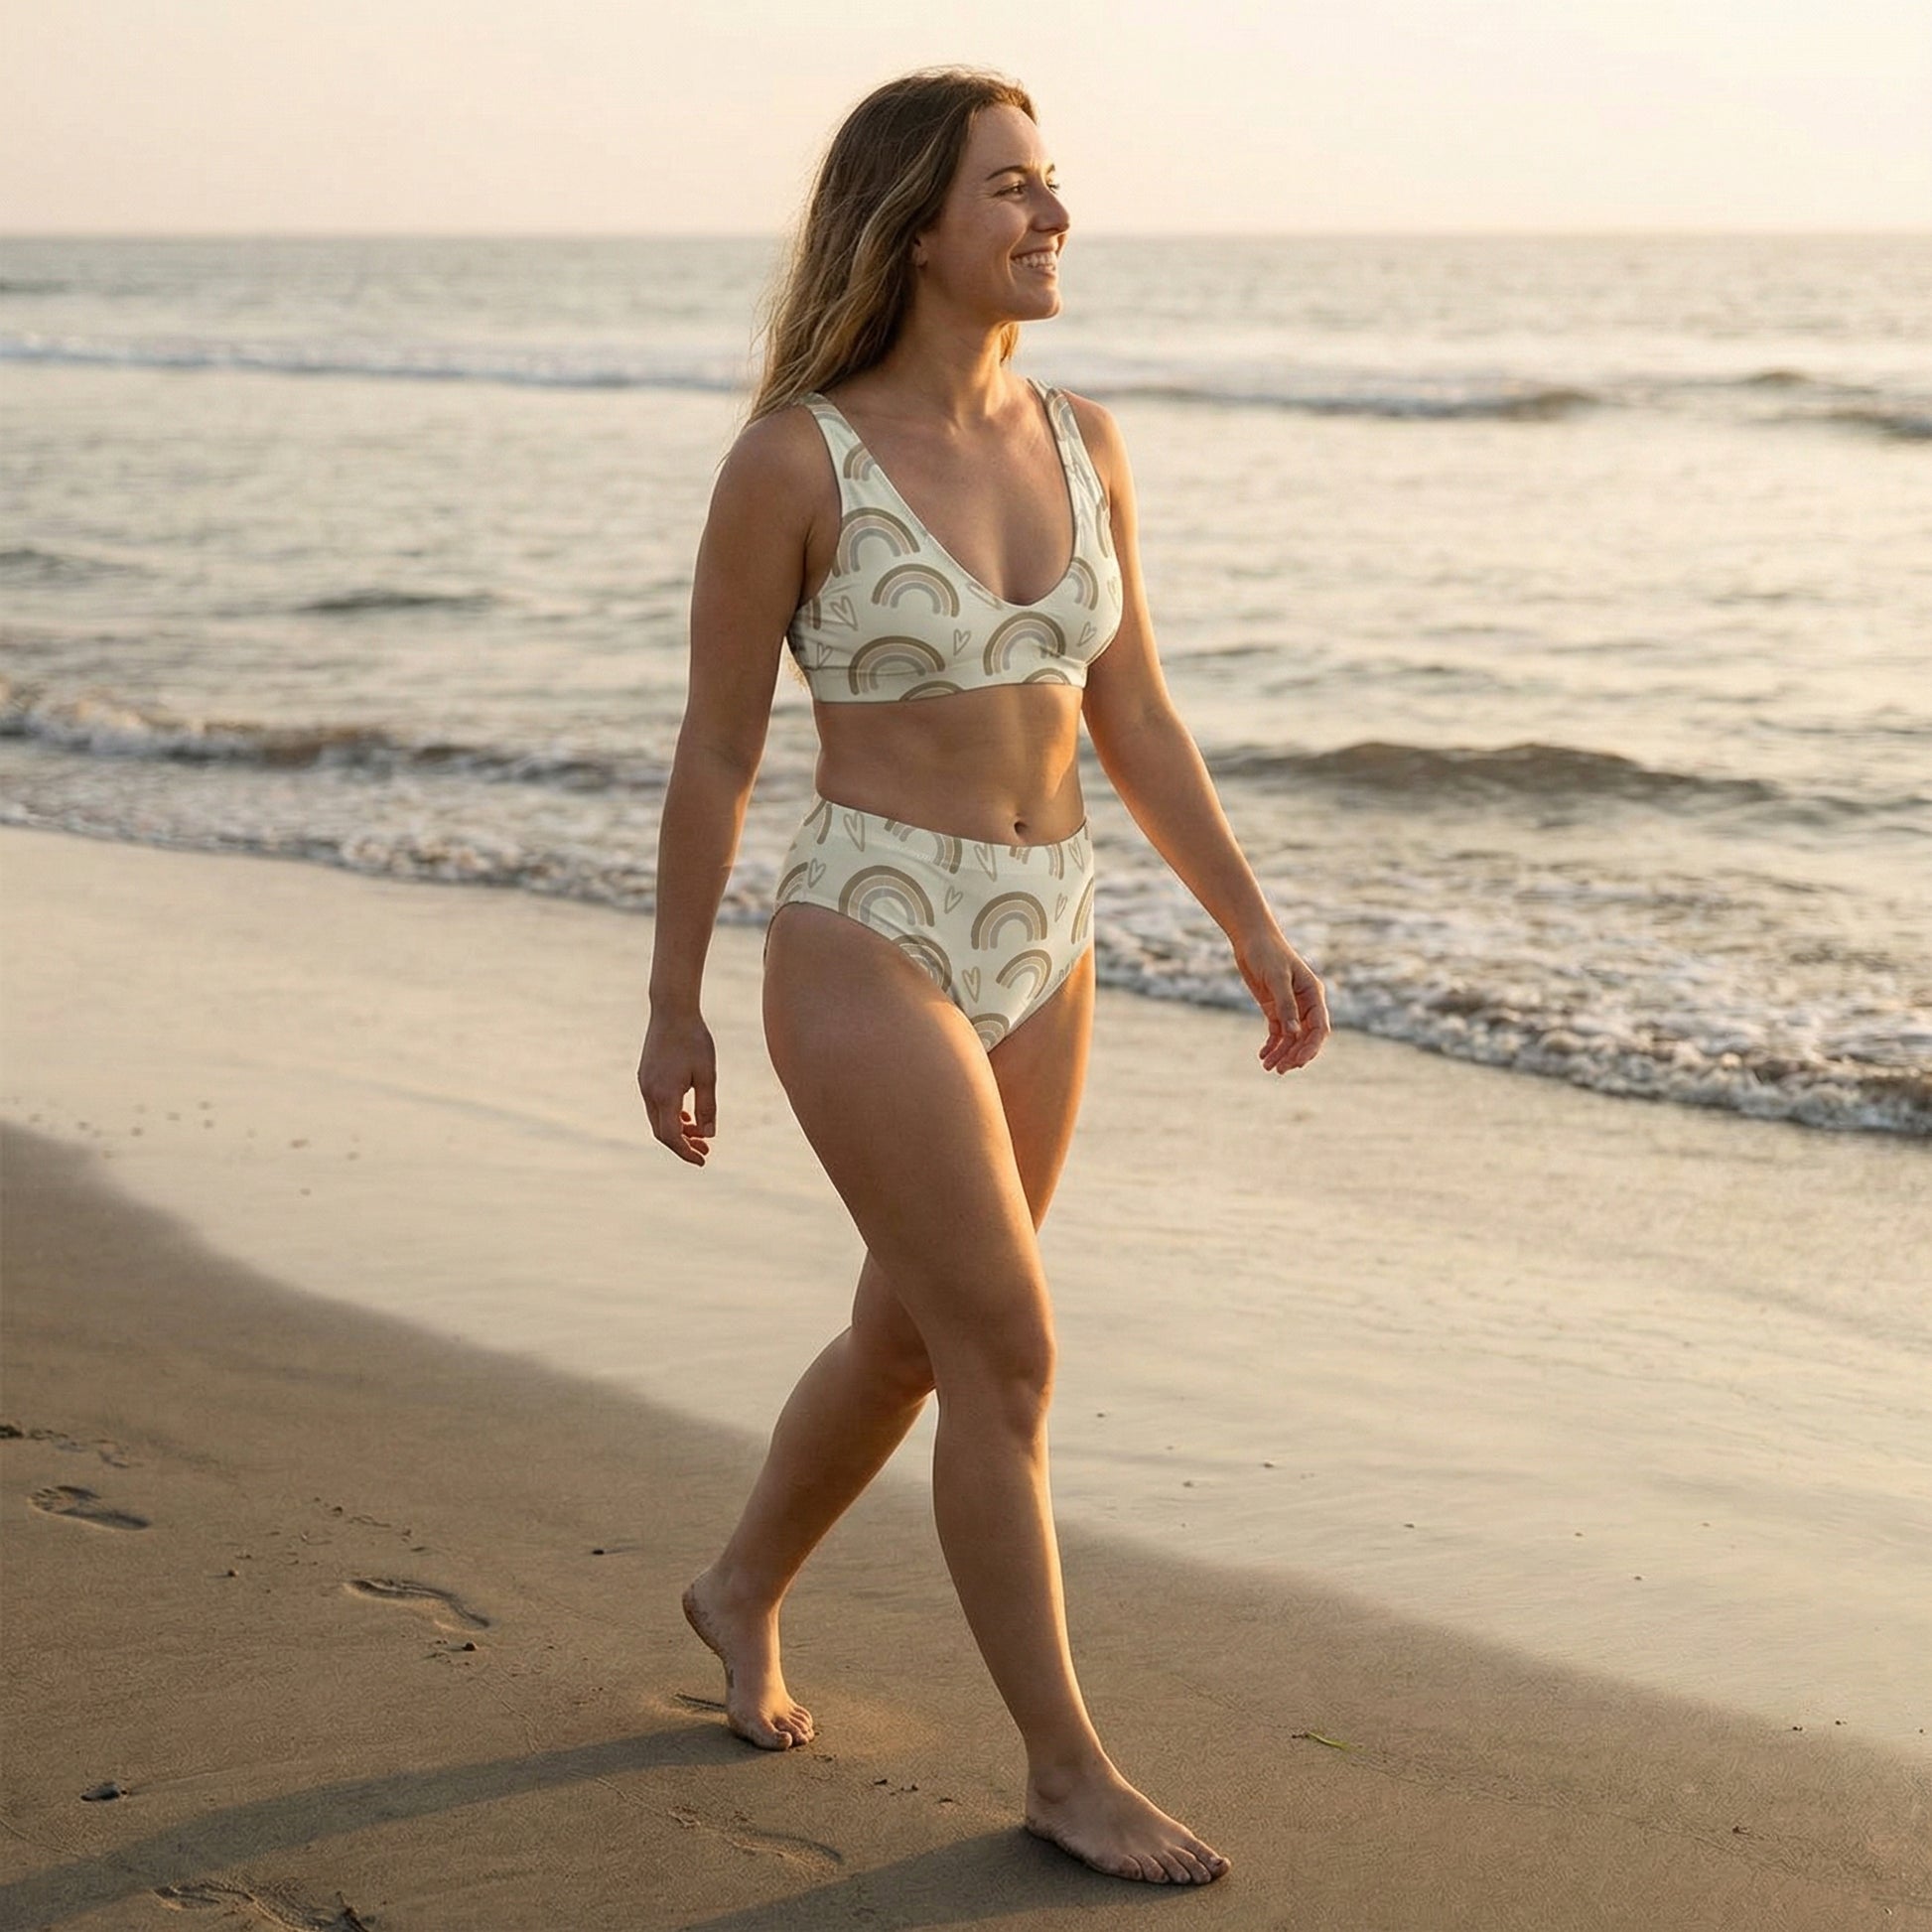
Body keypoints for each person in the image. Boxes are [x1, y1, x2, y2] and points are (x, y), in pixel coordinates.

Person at [636, 65, 1329, 1887]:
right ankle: (1063, 1765)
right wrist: (671, 1000)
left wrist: (1247, 921)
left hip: (1052, 929)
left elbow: (1136, 713)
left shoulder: (1082, 437)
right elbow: (714, 752)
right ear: (913, 224)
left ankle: (734, 1586)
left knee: (906, 1336)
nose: (1050, 215)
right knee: (1004, 1347)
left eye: (1051, 181)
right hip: (868, 928)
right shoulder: (794, 456)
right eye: (1010, 189)